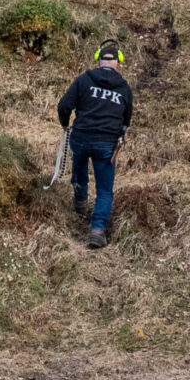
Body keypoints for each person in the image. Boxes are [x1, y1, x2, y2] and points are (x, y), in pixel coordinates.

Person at [58, 40, 135, 249]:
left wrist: (65, 125)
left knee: (79, 166)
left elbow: (64, 105)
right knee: (104, 190)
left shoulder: (84, 80)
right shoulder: (124, 88)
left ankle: (80, 202)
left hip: (81, 138)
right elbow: (127, 121)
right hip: (106, 144)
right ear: (118, 62)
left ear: (98, 60)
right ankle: (97, 231)